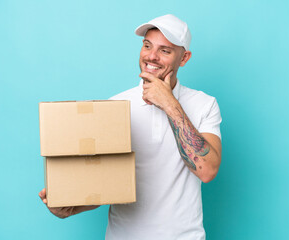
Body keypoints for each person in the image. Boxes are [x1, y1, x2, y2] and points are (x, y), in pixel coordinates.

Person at [39, 14, 222, 240]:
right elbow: (106, 183)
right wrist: (71, 207)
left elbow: (207, 170)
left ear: (184, 58)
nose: (151, 56)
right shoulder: (115, 106)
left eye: (165, 50)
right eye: (147, 46)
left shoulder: (204, 104)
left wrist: (169, 104)